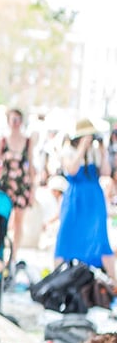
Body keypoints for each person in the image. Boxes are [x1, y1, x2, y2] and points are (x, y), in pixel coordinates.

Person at [54, 118, 114, 280]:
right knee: (67, 234)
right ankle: (58, 275)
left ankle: (112, 279)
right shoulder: (68, 150)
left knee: (99, 236)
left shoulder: (94, 151)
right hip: (76, 198)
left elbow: (106, 172)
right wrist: (82, 147)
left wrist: (102, 150)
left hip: (93, 198)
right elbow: (72, 170)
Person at [0, 108, 36, 258]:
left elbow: (31, 165)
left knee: (19, 221)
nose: (16, 123)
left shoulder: (28, 141)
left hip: (21, 185)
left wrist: (32, 189)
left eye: (18, 119)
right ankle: (0, 251)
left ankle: (14, 254)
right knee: (3, 219)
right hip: (5, 185)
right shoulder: (2, 141)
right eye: (13, 119)